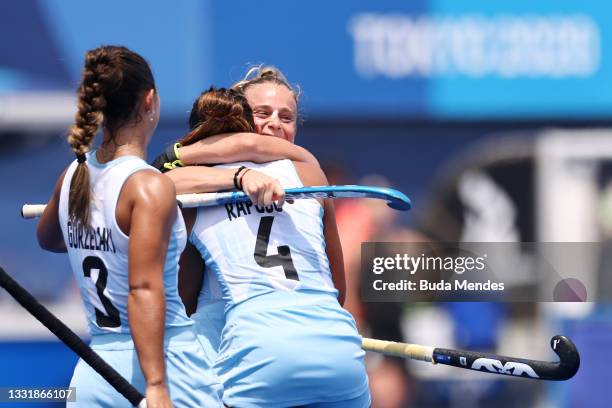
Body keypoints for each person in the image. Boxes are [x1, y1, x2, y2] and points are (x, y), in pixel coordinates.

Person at [160, 82, 370, 407]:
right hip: (338, 349)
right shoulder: (310, 173)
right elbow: (337, 293)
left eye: (287, 117)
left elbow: (182, 302)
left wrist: (177, 155)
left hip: (255, 352)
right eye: (263, 113)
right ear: (239, 118)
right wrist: (239, 175)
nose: (274, 123)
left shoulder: (194, 195)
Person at [35, 45, 222, 407]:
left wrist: (96, 236)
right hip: (165, 364)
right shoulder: (148, 185)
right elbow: (143, 289)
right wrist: (156, 386)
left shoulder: (72, 174)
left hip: (96, 374)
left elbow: (49, 238)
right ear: (149, 101)